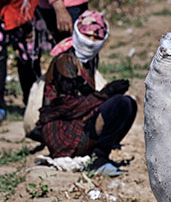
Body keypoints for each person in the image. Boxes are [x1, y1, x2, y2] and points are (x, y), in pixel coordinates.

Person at [36, 11, 136, 177]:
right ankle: (97, 160)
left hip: (78, 122)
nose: (91, 42)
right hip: (61, 133)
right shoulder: (65, 61)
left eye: (96, 38)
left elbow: (84, 99)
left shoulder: (88, 60)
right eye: (87, 36)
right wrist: (106, 94)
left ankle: (99, 156)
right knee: (119, 103)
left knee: (128, 104)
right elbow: (66, 107)